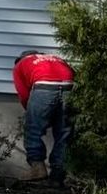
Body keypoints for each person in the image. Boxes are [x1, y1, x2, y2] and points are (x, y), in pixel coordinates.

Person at [12, 50, 75, 184]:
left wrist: (34, 114)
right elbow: (71, 73)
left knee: (33, 129)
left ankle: (37, 167)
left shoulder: (20, 65)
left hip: (44, 87)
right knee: (63, 132)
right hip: (69, 86)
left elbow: (24, 95)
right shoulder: (54, 58)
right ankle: (58, 173)